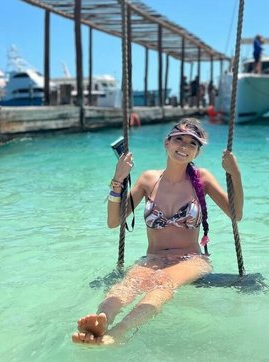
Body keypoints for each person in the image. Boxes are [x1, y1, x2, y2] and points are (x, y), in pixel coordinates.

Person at [72, 117, 243, 346]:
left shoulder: (203, 179)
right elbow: (114, 222)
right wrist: (118, 178)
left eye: (192, 143)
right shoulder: (148, 180)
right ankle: (102, 318)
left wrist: (235, 173)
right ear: (167, 142)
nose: (184, 146)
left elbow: (236, 215)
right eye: (179, 139)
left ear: (197, 152)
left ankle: (120, 332)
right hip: (153, 258)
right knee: (129, 284)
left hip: (191, 259)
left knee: (162, 281)